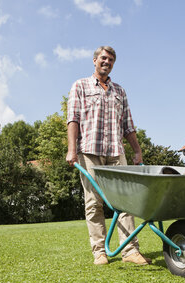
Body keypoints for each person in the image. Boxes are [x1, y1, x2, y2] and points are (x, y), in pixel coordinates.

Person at [66, 46, 151, 266]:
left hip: (116, 151)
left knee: (125, 201)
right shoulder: (80, 86)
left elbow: (128, 125)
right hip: (90, 151)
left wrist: (137, 150)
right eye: (103, 58)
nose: (107, 62)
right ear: (94, 60)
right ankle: (100, 251)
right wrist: (71, 149)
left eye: (111, 59)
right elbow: (73, 119)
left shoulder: (120, 91)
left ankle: (130, 250)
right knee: (94, 202)